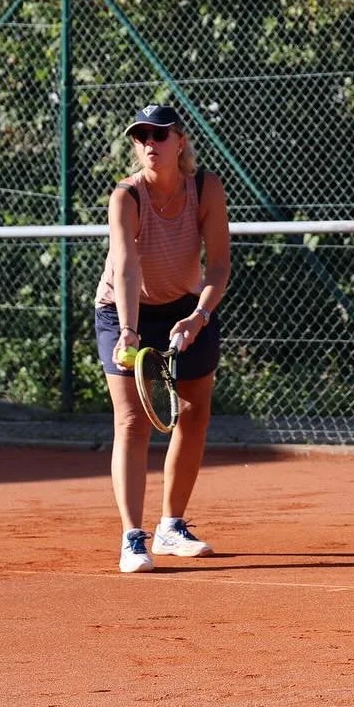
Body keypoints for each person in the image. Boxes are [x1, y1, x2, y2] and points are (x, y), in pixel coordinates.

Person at [94, 104, 231, 574]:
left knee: (194, 413)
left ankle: (171, 527)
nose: (150, 143)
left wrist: (199, 316)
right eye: (141, 137)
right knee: (132, 422)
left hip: (184, 308)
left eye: (160, 134)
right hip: (123, 309)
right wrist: (129, 329)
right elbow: (126, 265)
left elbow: (218, 267)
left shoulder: (205, 187)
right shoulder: (125, 197)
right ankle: (133, 537)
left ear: (180, 142)